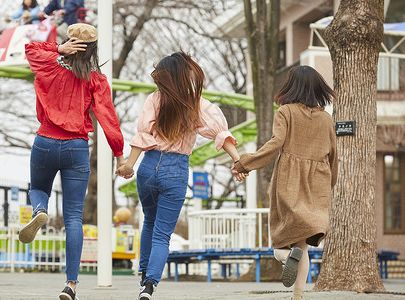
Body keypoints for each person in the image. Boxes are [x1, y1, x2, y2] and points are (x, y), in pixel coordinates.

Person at [116, 51, 245, 300]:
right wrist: (238, 161)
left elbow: (143, 135)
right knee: (163, 232)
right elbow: (220, 133)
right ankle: (149, 285)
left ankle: (143, 273)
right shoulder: (196, 105)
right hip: (175, 170)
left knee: (150, 223)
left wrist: (129, 165)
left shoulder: (154, 100)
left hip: (148, 168)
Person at [20, 23, 125, 300]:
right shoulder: (96, 79)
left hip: (44, 141)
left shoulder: (49, 66)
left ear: (70, 42)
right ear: (92, 49)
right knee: (74, 218)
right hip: (76, 148)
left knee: (38, 188)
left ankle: (39, 210)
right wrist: (119, 154)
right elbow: (108, 118)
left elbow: (30, 49)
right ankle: (71, 284)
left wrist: (58, 48)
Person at [232, 65, 338, 300]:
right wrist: (329, 187)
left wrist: (245, 163)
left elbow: (275, 144)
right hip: (318, 183)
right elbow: (334, 156)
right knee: (303, 245)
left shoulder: (286, 111)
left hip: (290, 179)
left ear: (292, 86)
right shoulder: (327, 119)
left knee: (282, 237)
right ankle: (298, 295)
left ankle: (284, 257)